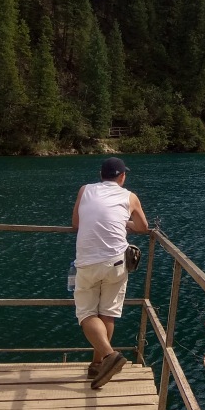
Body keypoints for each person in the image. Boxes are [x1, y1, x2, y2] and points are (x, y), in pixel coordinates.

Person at [71, 157, 149, 389]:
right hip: (116, 262)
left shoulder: (85, 190)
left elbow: (76, 223)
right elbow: (143, 227)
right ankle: (103, 360)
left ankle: (105, 358)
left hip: (87, 263)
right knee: (107, 313)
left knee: (86, 314)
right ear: (122, 176)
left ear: (101, 174)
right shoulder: (130, 196)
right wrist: (126, 224)